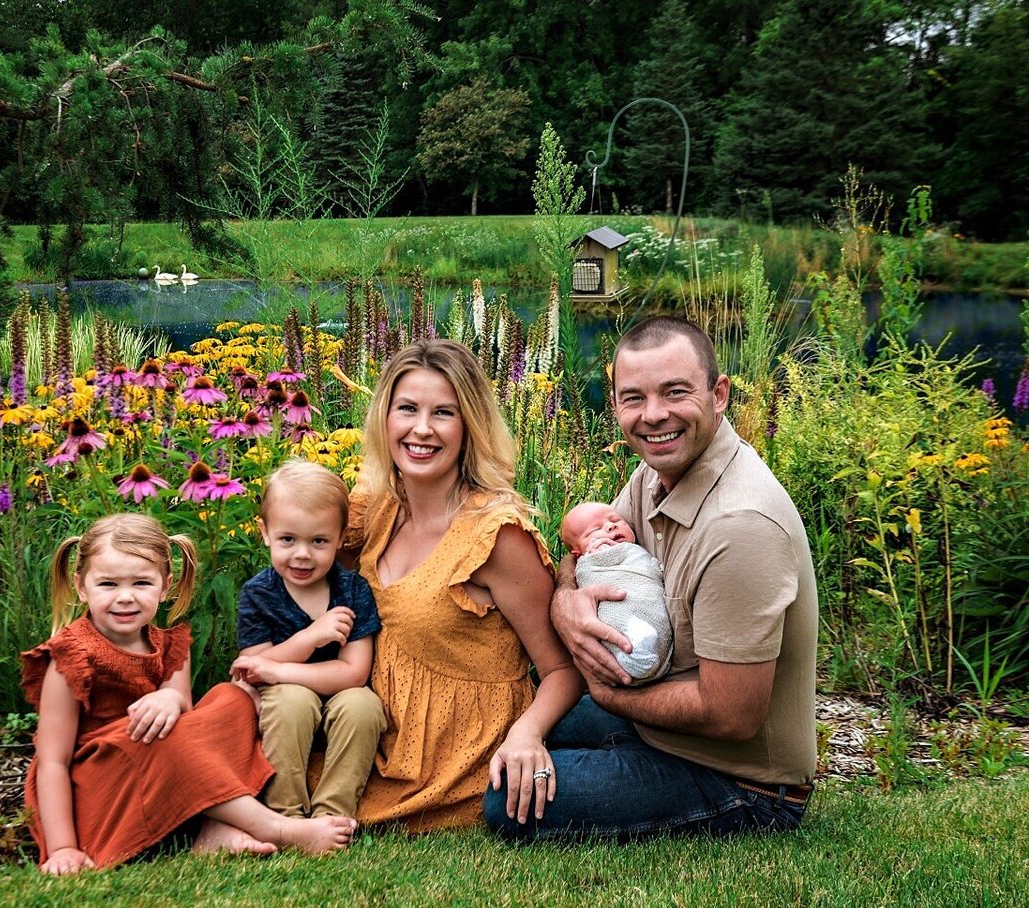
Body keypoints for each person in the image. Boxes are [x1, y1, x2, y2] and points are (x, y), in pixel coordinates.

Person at [485, 316, 818, 840]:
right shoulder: (655, 476)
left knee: (508, 800)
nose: (654, 415)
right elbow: (585, 555)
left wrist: (605, 691)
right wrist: (565, 605)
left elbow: (732, 715)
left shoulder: (741, 526)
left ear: (719, 394)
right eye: (633, 398)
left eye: (675, 392)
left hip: (741, 781)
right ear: (615, 404)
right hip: (659, 727)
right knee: (510, 734)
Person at [21, 513, 357, 874]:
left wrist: (170, 698)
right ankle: (274, 826)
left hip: (158, 768)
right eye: (107, 584)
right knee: (168, 740)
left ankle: (209, 830)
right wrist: (62, 847)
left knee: (236, 697)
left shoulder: (171, 644)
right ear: (81, 586)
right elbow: (53, 760)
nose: (125, 597)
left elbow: (185, 713)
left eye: (141, 583)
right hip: (102, 789)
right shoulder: (71, 656)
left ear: (165, 587)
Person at [343, 339, 584, 831]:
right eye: (407, 408)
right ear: (384, 418)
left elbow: (563, 668)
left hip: (458, 764)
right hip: (372, 739)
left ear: (469, 425)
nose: (422, 429)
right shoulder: (376, 506)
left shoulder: (496, 534)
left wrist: (527, 735)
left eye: (444, 413)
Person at [231, 459, 386, 820]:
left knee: (363, 707)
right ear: (265, 532)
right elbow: (255, 667)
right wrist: (311, 638)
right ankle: (286, 813)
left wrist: (277, 670)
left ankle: (333, 813)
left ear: (341, 537)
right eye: (288, 539)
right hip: (285, 706)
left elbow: (354, 673)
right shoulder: (258, 594)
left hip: (340, 694)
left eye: (318, 541)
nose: (302, 554)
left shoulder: (351, 590)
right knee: (291, 701)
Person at [559, 501, 671, 684]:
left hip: (647, 600)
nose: (610, 526)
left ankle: (644, 648)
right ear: (578, 553)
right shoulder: (590, 558)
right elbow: (581, 566)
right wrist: (597, 555)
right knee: (617, 620)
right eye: (595, 530)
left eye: (615, 519)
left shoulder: (633, 550)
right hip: (619, 606)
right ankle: (634, 649)